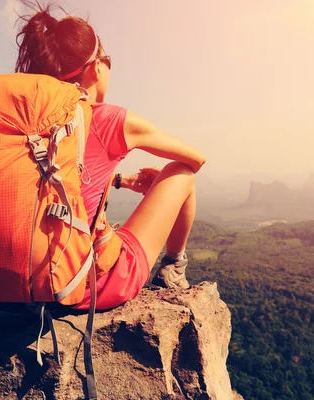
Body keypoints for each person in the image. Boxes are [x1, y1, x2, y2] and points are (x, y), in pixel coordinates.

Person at [14, 4, 206, 311]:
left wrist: (118, 179)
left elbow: (44, 179)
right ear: (96, 68)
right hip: (83, 285)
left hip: (12, 283)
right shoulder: (109, 118)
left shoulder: (22, 120)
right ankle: (174, 268)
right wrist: (158, 186)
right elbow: (196, 158)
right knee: (181, 173)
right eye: (108, 61)